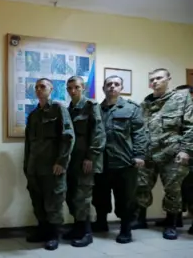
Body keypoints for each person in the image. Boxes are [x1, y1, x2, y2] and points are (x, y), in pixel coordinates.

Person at [132, 69, 193, 240]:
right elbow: (139, 130)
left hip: (172, 153)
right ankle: (140, 219)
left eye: (159, 78)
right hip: (149, 153)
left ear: (168, 79)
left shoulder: (182, 98)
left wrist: (185, 150)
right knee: (141, 186)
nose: (155, 82)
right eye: (152, 79)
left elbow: (190, 126)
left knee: (172, 190)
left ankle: (171, 224)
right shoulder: (145, 103)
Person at [91, 75, 147, 244]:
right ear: (103, 88)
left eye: (116, 84)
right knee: (99, 196)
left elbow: (140, 133)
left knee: (125, 198)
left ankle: (125, 229)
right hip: (101, 162)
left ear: (121, 88)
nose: (112, 87)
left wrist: (139, 155)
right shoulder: (96, 109)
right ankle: (101, 223)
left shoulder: (131, 108)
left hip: (124, 161)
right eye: (109, 84)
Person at [23, 78, 75, 251]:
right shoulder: (33, 115)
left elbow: (68, 136)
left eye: (42, 86)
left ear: (51, 89)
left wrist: (61, 161)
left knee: (54, 201)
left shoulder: (58, 109)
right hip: (34, 167)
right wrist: (26, 166)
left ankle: (54, 235)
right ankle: (43, 231)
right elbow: (28, 144)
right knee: (37, 201)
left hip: (52, 167)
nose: (39, 89)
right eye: (36, 87)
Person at [63, 76, 106, 247]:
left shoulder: (90, 106)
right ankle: (77, 228)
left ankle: (87, 232)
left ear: (83, 88)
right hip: (72, 161)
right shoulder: (69, 109)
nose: (73, 91)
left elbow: (98, 133)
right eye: (70, 88)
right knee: (72, 196)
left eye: (76, 87)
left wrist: (91, 157)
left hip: (86, 160)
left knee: (83, 197)